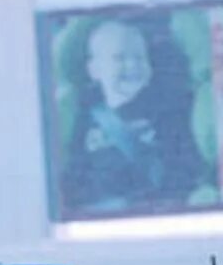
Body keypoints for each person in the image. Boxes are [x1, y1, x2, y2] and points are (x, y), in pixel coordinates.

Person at [59, 18, 210, 215]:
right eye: (119, 58)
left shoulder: (170, 111)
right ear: (94, 70)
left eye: (139, 57)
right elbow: (75, 179)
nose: (132, 65)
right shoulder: (82, 118)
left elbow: (187, 166)